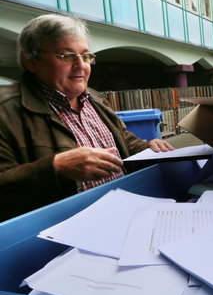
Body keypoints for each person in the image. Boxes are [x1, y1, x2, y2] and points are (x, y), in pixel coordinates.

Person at [0, 13, 175, 219]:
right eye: (66, 56)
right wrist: (56, 167)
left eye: (86, 56)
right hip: (64, 230)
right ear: (30, 60)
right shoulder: (5, 110)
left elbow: (122, 140)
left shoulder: (95, 98)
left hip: (126, 210)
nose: (81, 65)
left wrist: (148, 147)